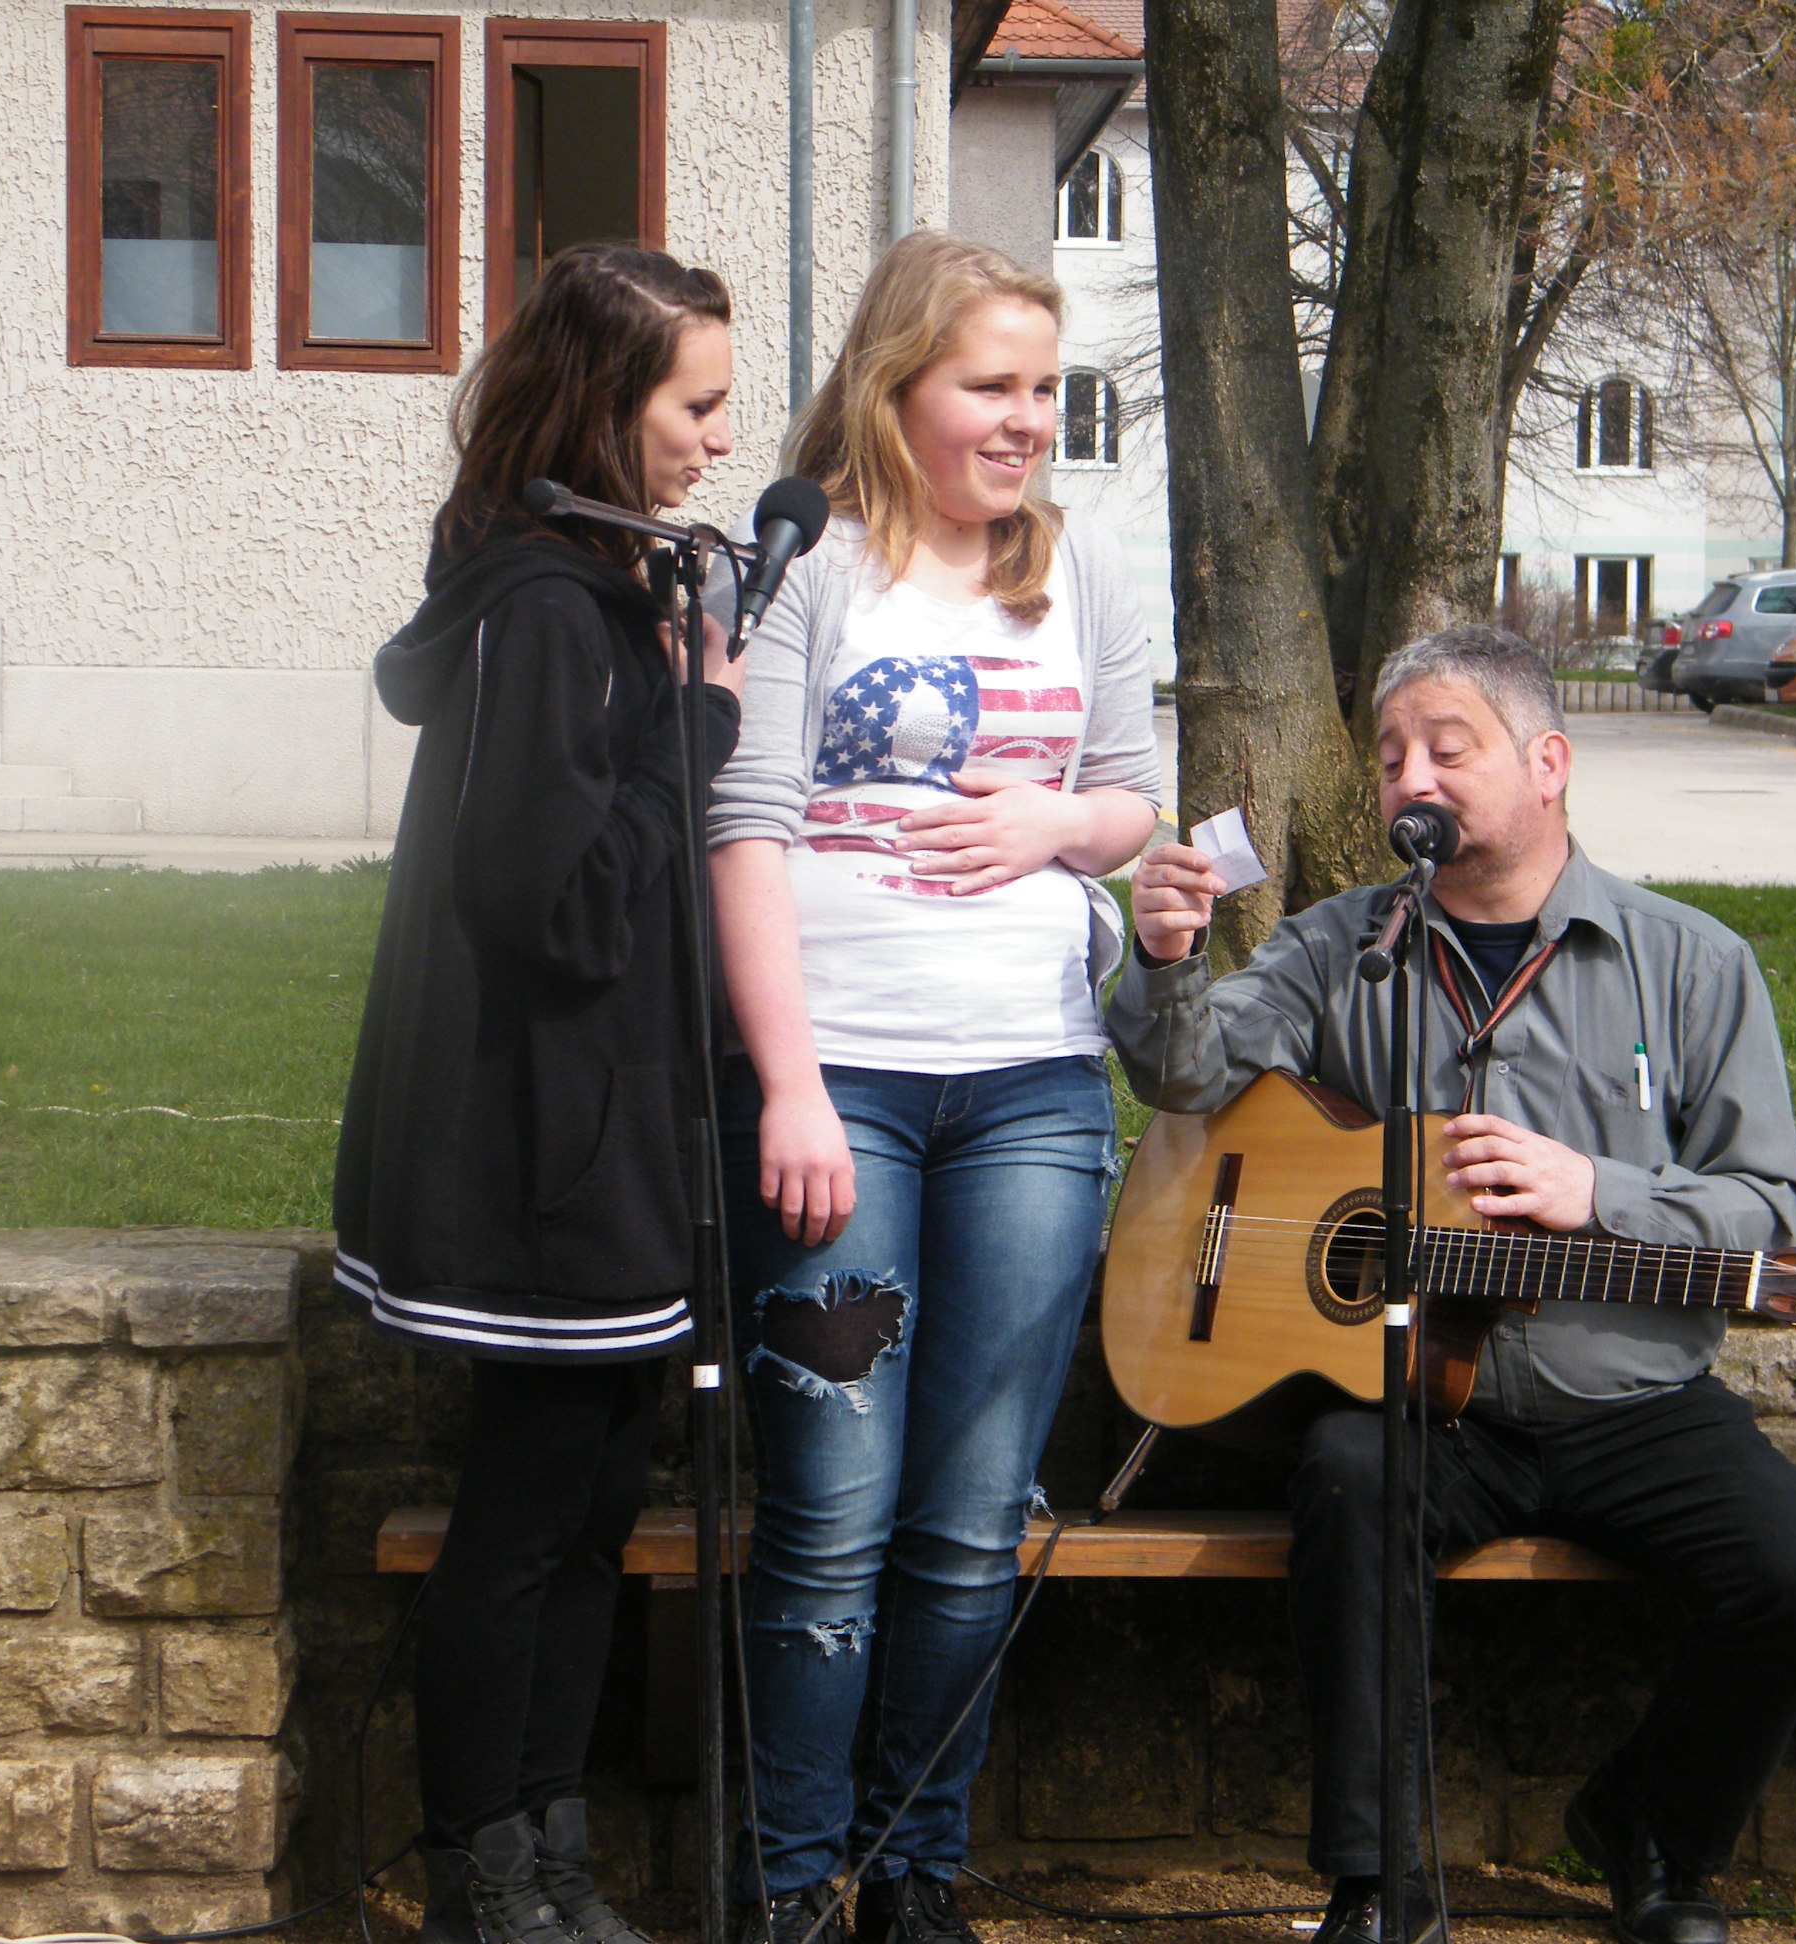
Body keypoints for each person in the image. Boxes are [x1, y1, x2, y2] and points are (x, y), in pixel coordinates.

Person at [1108, 628, 1796, 1944]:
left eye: (1447, 750)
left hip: (1630, 1395)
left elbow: (1772, 1209)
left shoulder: (1690, 962)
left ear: (1548, 763)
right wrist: (1168, 959)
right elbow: (1186, 1080)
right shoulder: (1338, 947)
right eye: (1391, 757)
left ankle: (1650, 1833)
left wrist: (1599, 1189)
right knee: (1350, 1480)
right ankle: (1379, 1885)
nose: (1412, 777)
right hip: (1418, 1396)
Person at [706, 229, 1163, 1944]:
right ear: (897, 387)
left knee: (974, 1522)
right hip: (847, 1091)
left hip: (1034, 1090)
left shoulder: (1083, 569)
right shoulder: (806, 568)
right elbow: (742, 828)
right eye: (992, 385)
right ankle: (789, 1881)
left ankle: (914, 1871)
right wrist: (789, 1087)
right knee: (829, 1516)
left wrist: (1062, 822)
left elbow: (1131, 796)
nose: (1028, 419)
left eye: (1045, 387)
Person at [332, 243, 743, 1944]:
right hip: (542, 1155)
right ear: (602, 404)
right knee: (525, 1524)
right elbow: (556, 908)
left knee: (592, 1516)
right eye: (696, 406)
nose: (721, 440)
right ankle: (481, 1875)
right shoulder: (550, 612)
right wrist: (696, 727)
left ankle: (549, 1856)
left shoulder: (593, 592)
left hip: (603, 1141)